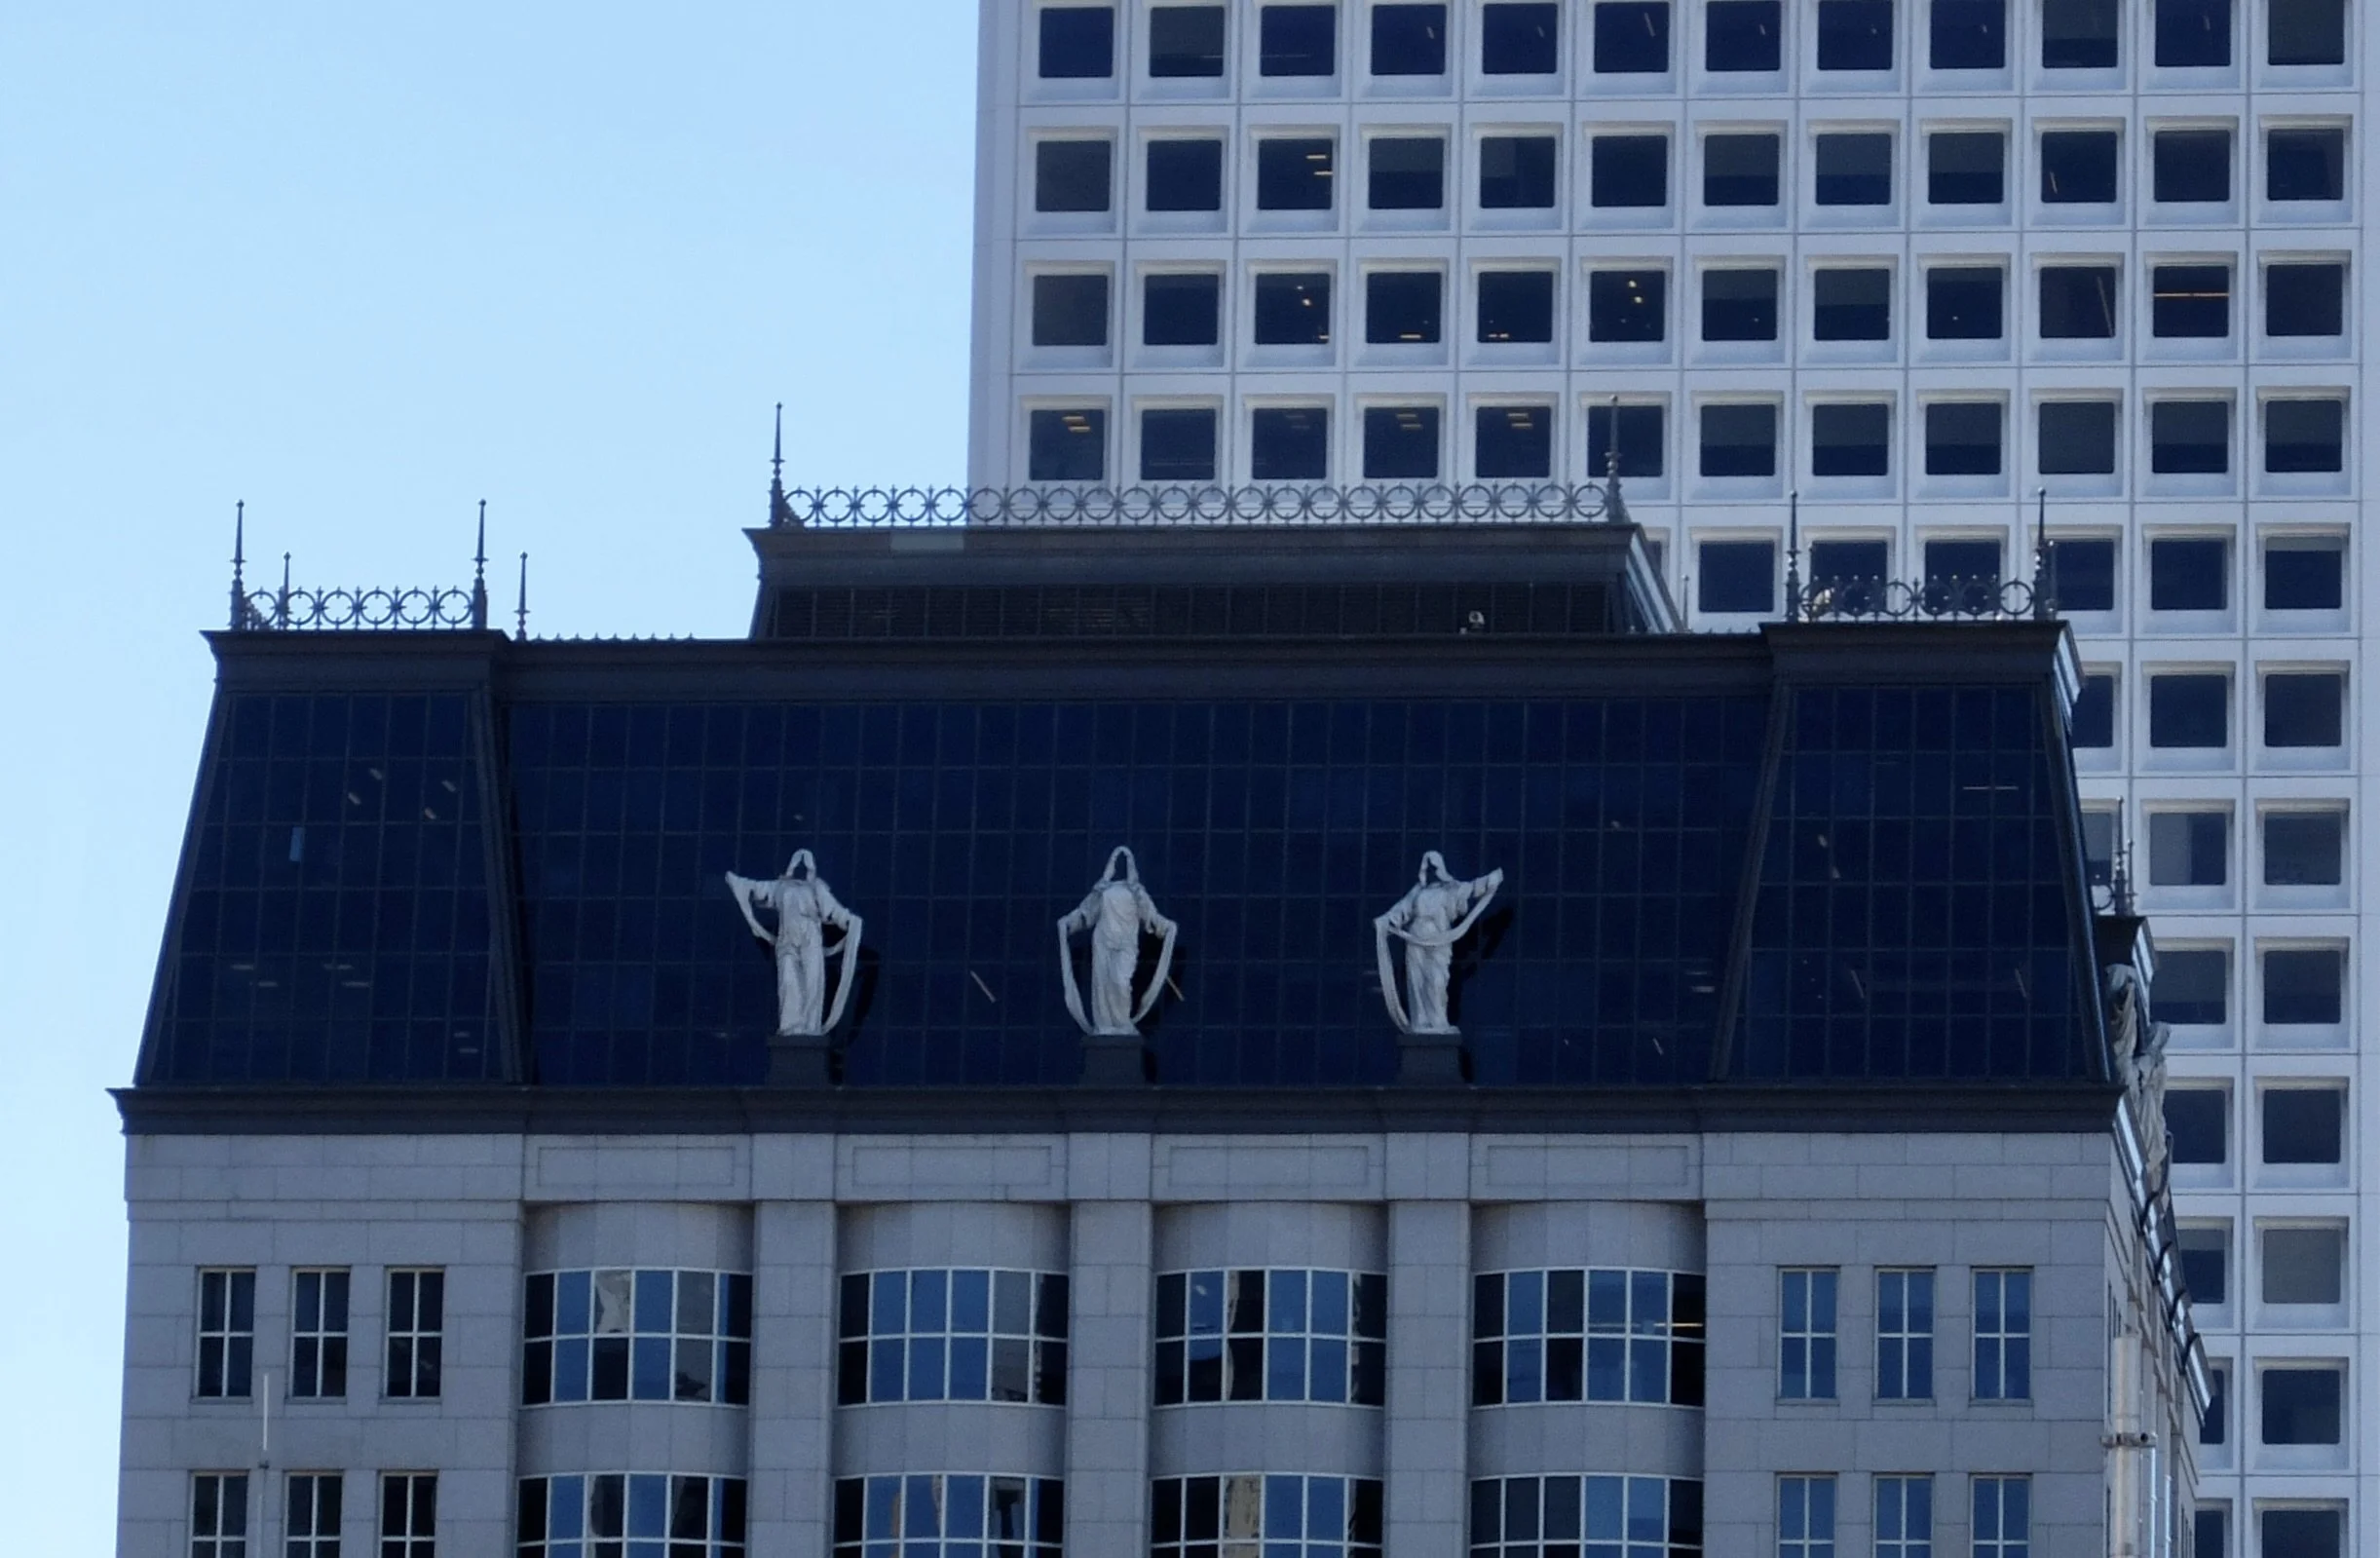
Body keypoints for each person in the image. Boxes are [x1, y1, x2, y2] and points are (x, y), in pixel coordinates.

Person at [725, 850, 861, 1036]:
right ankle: (791, 1025)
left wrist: (849, 921)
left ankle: (810, 1026)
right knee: (788, 981)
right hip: (787, 940)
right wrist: (737, 882)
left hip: (810, 940)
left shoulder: (817, 889)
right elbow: (756, 888)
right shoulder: (781, 888)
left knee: (812, 981)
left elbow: (835, 912)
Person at [1375, 852, 1502, 1034]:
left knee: (1437, 979)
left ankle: (1438, 1022)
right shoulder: (1418, 891)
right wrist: (1386, 920)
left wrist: (1491, 879)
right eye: (1428, 866)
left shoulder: (1451, 889)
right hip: (1415, 939)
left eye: (1434, 866)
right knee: (1417, 981)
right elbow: (1401, 910)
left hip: (1439, 939)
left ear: (1441, 868)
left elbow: (1473, 888)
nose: (1431, 870)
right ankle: (1421, 1023)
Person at [1058, 847, 1178, 1036]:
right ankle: (1106, 1025)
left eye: (1127, 860)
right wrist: (1068, 924)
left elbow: (1152, 918)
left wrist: (1167, 927)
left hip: (1126, 944)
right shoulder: (1103, 890)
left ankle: (1121, 1024)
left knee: (1120, 982)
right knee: (1103, 986)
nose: (1122, 862)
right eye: (1118, 859)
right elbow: (1086, 913)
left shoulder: (1138, 893)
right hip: (1103, 942)